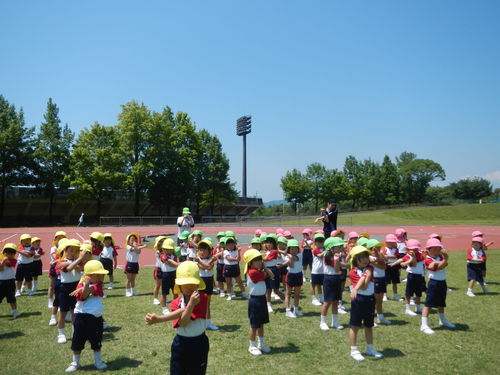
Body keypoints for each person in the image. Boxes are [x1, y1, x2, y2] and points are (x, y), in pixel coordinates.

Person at [144, 261, 210, 375]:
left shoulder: (202, 298)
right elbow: (183, 321)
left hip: (199, 343)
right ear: (179, 285)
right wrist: (190, 306)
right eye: (186, 283)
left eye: (193, 283)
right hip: (181, 344)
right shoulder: (176, 303)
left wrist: (159, 319)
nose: (190, 287)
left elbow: (184, 322)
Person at [65, 260, 108, 372]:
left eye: (101, 275)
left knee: (96, 342)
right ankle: (75, 363)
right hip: (81, 317)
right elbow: (83, 296)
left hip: (95, 318)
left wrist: (85, 287)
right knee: (77, 341)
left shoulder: (99, 285)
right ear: (88, 275)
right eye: (97, 275)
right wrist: (84, 286)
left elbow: (88, 292)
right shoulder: (81, 284)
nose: (100, 277)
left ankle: (98, 362)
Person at [349, 246, 384, 362]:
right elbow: (363, 287)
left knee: (369, 326)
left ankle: (370, 348)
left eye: (366, 257)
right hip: (358, 300)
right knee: (355, 326)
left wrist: (366, 277)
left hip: (369, 300)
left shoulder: (370, 267)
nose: (365, 260)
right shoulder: (353, 272)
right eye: (361, 258)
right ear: (355, 260)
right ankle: (354, 350)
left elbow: (365, 282)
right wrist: (366, 277)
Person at [420, 238, 455, 335]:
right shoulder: (427, 259)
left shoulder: (440, 258)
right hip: (433, 283)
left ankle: (442, 320)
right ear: (428, 250)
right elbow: (433, 267)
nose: (436, 251)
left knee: (441, 303)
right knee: (429, 304)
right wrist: (443, 260)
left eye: (438, 249)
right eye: (434, 249)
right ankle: (424, 325)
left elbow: (443, 265)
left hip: (442, 282)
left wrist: (441, 261)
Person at [244, 249, 273, 356]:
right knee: (254, 325)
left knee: (261, 324)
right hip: (255, 301)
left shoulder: (258, 271)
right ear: (250, 263)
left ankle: (261, 343)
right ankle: (252, 346)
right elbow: (270, 274)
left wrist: (264, 267)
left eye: (260, 259)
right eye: (256, 260)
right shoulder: (253, 272)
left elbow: (271, 275)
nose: (260, 262)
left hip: (262, 299)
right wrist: (265, 268)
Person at [56, 239, 86, 344]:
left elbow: (79, 269)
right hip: (64, 288)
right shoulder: (60, 261)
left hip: (76, 287)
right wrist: (79, 259)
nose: (73, 253)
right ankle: (61, 334)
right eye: (71, 250)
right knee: (63, 313)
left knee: (75, 312)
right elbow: (68, 268)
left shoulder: (78, 261)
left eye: (76, 250)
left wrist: (78, 261)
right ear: (65, 250)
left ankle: (75, 332)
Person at [393, 239, 426, 316]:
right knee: (409, 293)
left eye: (415, 249)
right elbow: (412, 263)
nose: (414, 250)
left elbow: (421, 257)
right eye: (412, 249)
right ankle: (407, 309)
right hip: (411, 276)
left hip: (420, 276)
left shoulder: (420, 255)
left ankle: (417, 307)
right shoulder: (408, 256)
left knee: (418, 293)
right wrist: (395, 263)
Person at [320, 237, 345, 331]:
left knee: (335, 301)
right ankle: (323, 322)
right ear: (331, 248)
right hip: (329, 278)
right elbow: (337, 269)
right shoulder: (328, 256)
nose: (340, 248)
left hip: (336, 278)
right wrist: (337, 260)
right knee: (327, 302)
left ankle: (335, 322)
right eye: (337, 246)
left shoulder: (336, 255)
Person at [194, 239, 219, 330]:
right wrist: (203, 262)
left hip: (209, 281)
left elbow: (209, 268)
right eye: (200, 250)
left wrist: (210, 261)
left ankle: (208, 323)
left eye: (204, 250)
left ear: (209, 251)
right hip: (200, 282)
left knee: (207, 304)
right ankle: (198, 323)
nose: (202, 252)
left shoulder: (210, 259)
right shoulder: (196, 260)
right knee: (198, 304)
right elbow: (204, 266)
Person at [366, 239, 391, 325]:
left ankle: (381, 318)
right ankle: (371, 318)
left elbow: (384, 266)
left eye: (379, 248)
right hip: (374, 279)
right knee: (374, 301)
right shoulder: (368, 257)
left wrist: (379, 255)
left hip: (381, 279)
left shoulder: (379, 256)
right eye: (376, 248)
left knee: (380, 301)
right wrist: (377, 262)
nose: (378, 250)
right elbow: (380, 265)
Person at [262, 234, 284, 312]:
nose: (269, 244)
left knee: (276, 290)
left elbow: (267, 259)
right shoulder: (266, 251)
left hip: (273, 270)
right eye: (267, 243)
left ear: (274, 244)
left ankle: (286, 301)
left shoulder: (274, 251)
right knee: (268, 290)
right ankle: (269, 305)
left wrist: (258, 257)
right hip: (266, 270)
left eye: (271, 243)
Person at [281, 239, 303, 318]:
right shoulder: (288, 257)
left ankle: (296, 310)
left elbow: (293, 258)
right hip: (290, 275)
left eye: (295, 248)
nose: (294, 250)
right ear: (289, 249)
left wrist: (286, 254)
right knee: (288, 294)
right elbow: (291, 265)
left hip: (298, 275)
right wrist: (282, 264)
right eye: (292, 249)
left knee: (297, 295)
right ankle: (288, 311)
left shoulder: (300, 255)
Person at [159, 238, 180, 314]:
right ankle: (164, 308)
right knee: (164, 293)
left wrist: (177, 264)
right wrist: (178, 264)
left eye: (169, 249)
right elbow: (169, 262)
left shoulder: (174, 255)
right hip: (165, 275)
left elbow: (173, 263)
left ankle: (175, 305)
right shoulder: (162, 255)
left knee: (175, 292)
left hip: (174, 274)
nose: (167, 251)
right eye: (166, 249)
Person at [223, 236, 247, 300]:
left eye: (232, 244)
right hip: (228, 267)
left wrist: (239, 252)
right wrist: (236, 259)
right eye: (228, 244)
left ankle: (244, 294)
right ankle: (229, 295)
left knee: (239, 281)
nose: (230, 246)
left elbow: (239, 259)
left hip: (235, 267)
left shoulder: (236, 251)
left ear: (234, 244)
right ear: (226, 245)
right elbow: (229, 259)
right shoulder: (225, 251)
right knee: (228, 282)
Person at [0, 243, 21, 318]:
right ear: (4, 252)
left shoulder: (14, 260)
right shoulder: (1, 260)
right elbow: (1, 269)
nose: (9, 254)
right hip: (1, 282)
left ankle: (15, 311)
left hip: (10, 281)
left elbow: (8, 265)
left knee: (11, 297)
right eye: (7, 252)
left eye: (11, 253)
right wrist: (2, 261)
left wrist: (3, 260)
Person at [49, 231, 67, 309]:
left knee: (61, 286)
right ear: (55, 239)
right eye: (58, 238)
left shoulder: (66, 248)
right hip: (54, 268)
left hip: (62, 268)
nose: (60, 240)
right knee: (52, 285)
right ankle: (50, 300)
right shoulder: (53, 248)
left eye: (62, 238)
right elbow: (55, 257)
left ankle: (61, 302)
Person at [124, 233, 146, 297]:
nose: (133, 241)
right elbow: (134, 249)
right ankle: (127, 291)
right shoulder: (128, 246)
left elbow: (138, 252)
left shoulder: (137, 247)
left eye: (135, 240)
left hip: (135, 264)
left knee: (133, 279)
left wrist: (138, 246)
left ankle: (133, 290)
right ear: (128, 241)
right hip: (129, 264)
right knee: (129, 279)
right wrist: (142, 246)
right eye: (132, 240)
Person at [382, 234, 402, 301]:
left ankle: (395, 295)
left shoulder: (396, 249)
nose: (392, 244)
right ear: (386, 243)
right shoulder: (384, 249)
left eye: (393, 242)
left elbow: (396, 256)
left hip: (394, 266)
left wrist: (387, 256)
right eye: (390, 242)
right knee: (386, 282)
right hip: (387, 266)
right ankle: (384, 295)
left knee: (395, 282)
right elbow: (383, 256)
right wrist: (386, 257)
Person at [310, 233, 325, 306]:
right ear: (315, 242)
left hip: (323, 271)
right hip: (315, 271)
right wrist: (327, 250)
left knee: (320, 285)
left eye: (322, 241)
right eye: (318, 241)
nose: (320, 243)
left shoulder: (324, 248)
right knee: (313, 285)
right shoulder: (315, 249)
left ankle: (321, 298)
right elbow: (320, 255)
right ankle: (313, 299)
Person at [152, 236, 167, 305]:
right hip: (159, 269)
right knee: (158, 285)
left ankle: (163, 298)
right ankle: (155, 298)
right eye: (162, 242)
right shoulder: (158, 251)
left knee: (164, 285)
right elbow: (162, 257)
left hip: (164, 269)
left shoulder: (166, 251)